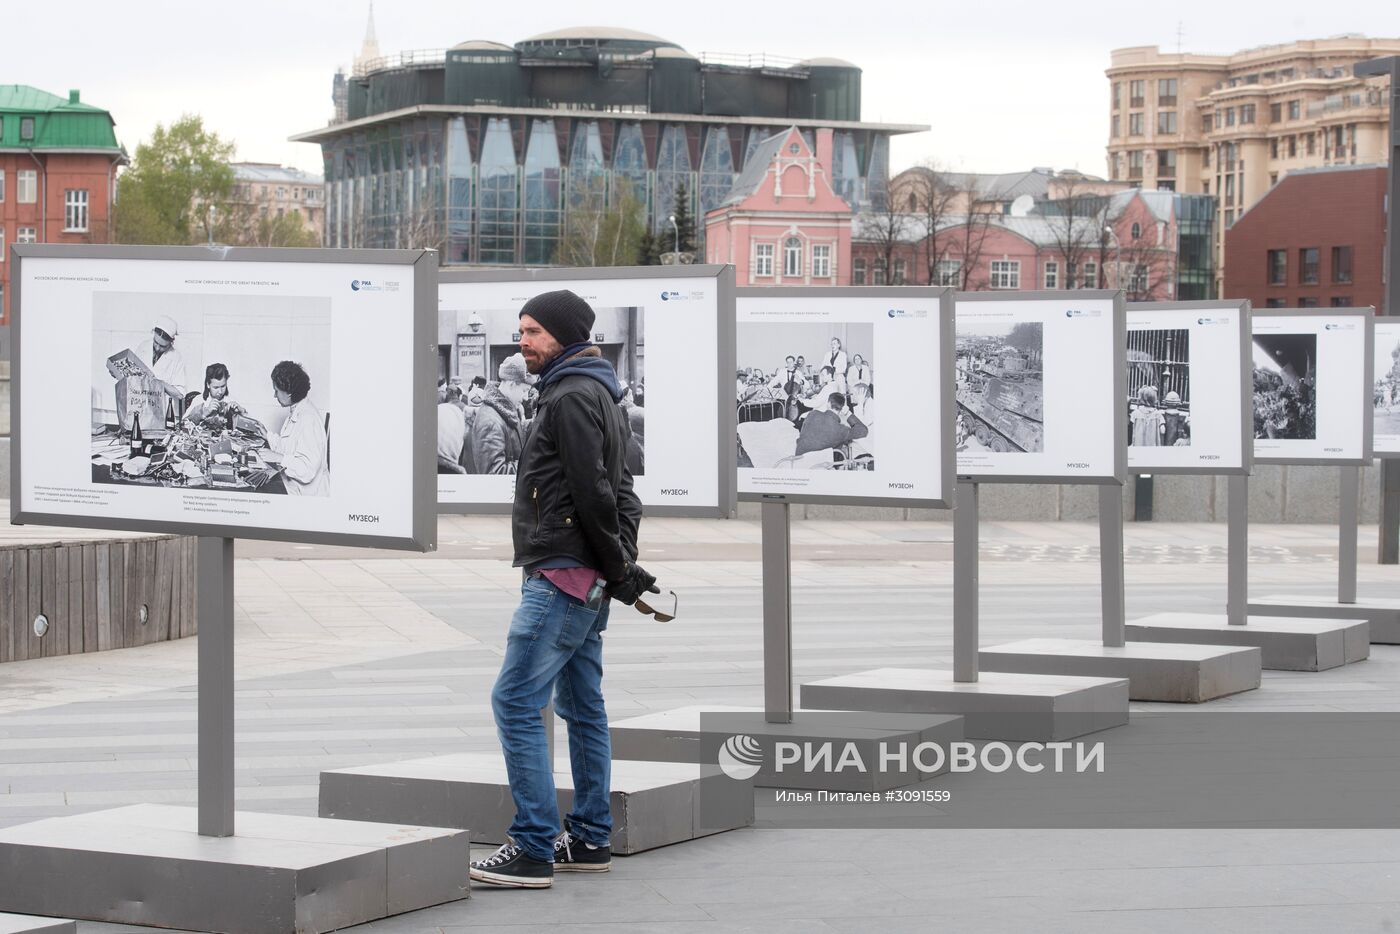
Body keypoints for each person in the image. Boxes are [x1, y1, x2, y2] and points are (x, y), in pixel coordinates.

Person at [469, 289, 655, 889]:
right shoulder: (597, 390)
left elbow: (598, 494)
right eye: (520, 332)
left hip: (561, 575)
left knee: (515, 701)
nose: (521, 343)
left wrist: (617, 569)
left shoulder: (572, 395)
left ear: (564, 335)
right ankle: (592, 836)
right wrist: (619, 568)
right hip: (586, 574)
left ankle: (531, 846)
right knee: (581, 705)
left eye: (531, 333)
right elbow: (623, 492)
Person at [262, 360, 329, 496]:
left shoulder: (308, 419)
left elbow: (307, 470)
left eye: (276, 390)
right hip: (293, 487)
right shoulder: (297, 410)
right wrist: (266, 435)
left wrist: (279, 458)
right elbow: (287, 448)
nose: (275, 395)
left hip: (308, 495)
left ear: (289, 393)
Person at [465, 355, 533, 475]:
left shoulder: (504, 410)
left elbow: (512, 432)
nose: (526, 398)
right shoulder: (490, 421)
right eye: (524, 391)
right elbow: (495, 473)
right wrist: (533, 465)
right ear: (512, 384)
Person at [795, 392, 868, 457]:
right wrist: (847, 413)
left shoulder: (812, 414)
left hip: (800, 459)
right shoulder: (842, 430)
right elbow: (863, 430)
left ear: (828, 404)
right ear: (842, 408)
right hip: (819, 465)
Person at [437, 386, 469, 473]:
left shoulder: (442, 408)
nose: (442, 394)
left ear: (450, 393)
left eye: (444, 391)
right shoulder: (465, 408)